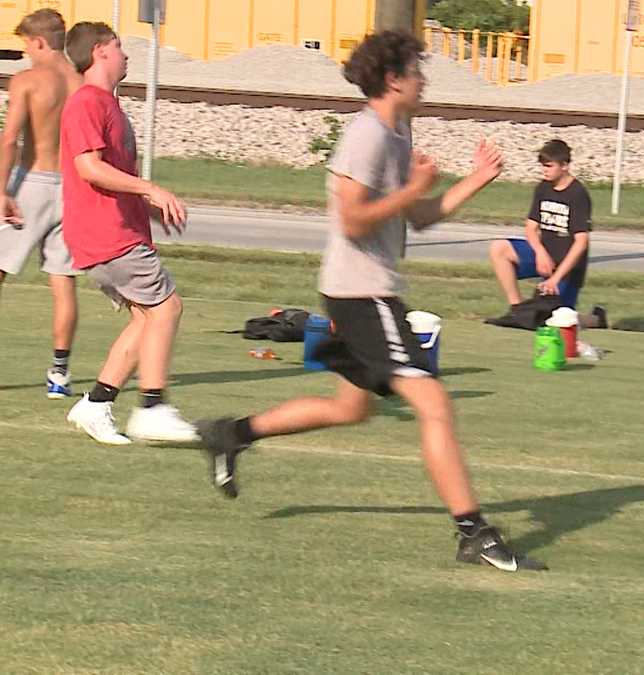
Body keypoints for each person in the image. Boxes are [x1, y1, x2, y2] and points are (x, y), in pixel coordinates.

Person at [195, 30, 546, 573]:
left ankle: (232, 434)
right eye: (418, 70)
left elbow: (421, 217)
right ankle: (472, 531)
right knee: (432, 403)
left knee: (348, 407)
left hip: (360, 290)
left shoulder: (398, 133)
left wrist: (475, 179)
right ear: (393, 78)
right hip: (363, 293)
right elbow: (354, 220)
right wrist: (412, 189)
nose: (425, 80)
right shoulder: (367, 136)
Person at [60, 22, 194, 445]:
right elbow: (89, 168)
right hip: (106, 235)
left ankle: (96, 405)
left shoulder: (110, 106)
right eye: (119, 47)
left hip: (118, 230)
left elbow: (112, 178)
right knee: (166, 309)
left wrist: (148, 209)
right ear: (99, 52)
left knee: (146, 317)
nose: (126, 54)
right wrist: (151, 188)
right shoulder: (87, 102)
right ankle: (152, 407)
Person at [0, 9, 83, 399]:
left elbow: (10, 139)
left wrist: (2, 191)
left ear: (38, 42)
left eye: (27, 46)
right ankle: (60, 375)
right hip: (73, 187)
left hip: (31, 182)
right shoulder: (83, 82)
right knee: (63, 282)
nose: (26, 54)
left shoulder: (28, 80)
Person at [487, 139, 605, 327]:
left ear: (565, 165)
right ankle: (517, 310)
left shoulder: (578, 194)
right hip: (545, 257)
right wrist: (540, 253)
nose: (545, 170)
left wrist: (555, 279)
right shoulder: (543, 187)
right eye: (543, 166)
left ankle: (596, 319)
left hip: (566, 268)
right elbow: (531, 228)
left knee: (553, 321)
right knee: (498, 248)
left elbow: (581, 243)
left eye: (549, 166)